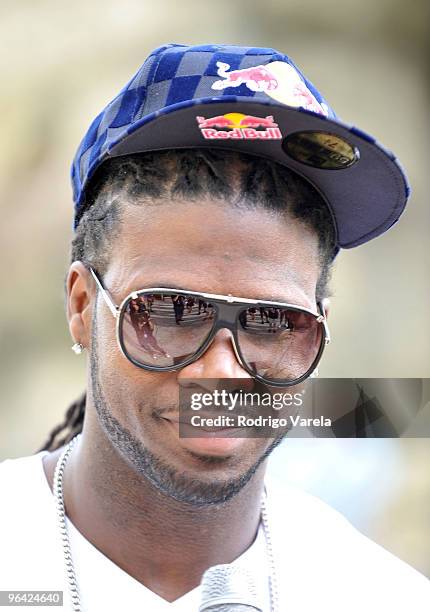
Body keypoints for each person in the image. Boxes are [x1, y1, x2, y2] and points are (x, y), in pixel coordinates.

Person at [0, 43, 428, 612]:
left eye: (275, 322)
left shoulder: (377, 596)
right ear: (82, 305)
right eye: (171, 311)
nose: (221, 372)